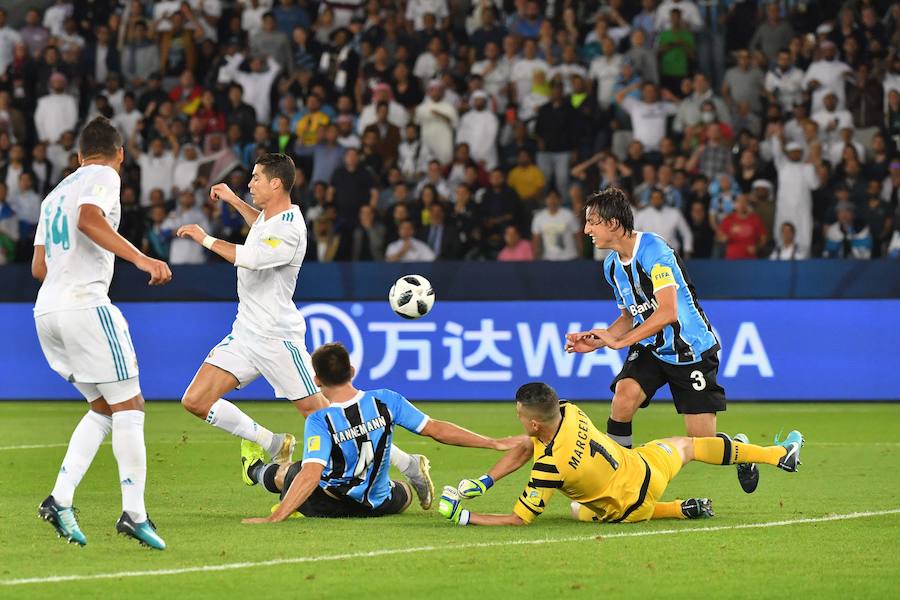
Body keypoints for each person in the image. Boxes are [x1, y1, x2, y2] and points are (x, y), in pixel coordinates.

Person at [174, 154, 434, 506]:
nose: (250, 183)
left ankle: (409, 465)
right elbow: (259, 230)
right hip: (246, 332)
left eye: (255, 179)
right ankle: (271, 442)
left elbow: (251, 256)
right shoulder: (270, 220)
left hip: (278, 338)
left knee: (331, 418)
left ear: (276, 183)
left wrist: (205, 239)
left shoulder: (292, 228)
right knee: (195, 400)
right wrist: (235, 201)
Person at [31, 117, 172, 549]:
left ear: (77, 155)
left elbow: (39, 267)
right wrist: (143, 259)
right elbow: (90, 218)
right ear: (120, 154)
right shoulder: (104, 176)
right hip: (84, 305)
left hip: (46, 311)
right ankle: (134, 513)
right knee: (130, 405)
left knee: (104, 409)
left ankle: (60, 498)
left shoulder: (54, 194)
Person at [565, 187, 760, 493]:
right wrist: (599, 339)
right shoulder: (611, 266)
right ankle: (621, 481)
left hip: (690, 350)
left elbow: (668, 312)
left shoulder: (654, 251)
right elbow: (630, 315)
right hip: (651, 348)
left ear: (613, 224)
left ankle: (741, 451)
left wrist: (620, 342)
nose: (587, 229)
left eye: (592, 222)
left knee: (702, 444)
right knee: (623, 398)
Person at [436, 382, 803, 527]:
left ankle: (675, 509)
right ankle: (776, 454)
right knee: (689, 445)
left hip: (631, 512)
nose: (519, 420)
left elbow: (518, 520)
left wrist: (464, 515)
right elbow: (525, 444)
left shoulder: (549, 467)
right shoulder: (570, 410)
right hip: (647, 469)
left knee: (579, 509)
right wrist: (485, 480)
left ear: (533, 423)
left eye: (520, 415)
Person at [240, 342, 518, 523]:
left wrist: (275, 519)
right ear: (351, 370)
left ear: (317, 380)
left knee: (288, 472)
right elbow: (436, 429)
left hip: (332, 505)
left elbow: (311, 474)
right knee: (405, 492)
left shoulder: (320, 419)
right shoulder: (386, 400)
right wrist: (493, 443)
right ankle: (412, 471)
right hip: (381, 503)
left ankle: (254, 469)